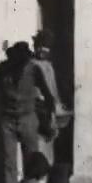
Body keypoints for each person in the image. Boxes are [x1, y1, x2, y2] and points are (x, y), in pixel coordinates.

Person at [0, 42, 56, 183]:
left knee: (32, 161)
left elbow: (47, 94)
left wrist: (51, 117)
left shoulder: (33, 70)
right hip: (7, 119)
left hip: (28, 118)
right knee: (9, 162)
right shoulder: (2, 70)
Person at [31, 29, 69, 165]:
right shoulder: (32, 66)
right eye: (40, 48)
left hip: (49, 109)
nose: (42, 51)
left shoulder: (48, 66)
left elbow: (53, 88)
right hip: (38, 109)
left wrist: (57, 104)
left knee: (48, 145)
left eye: (45, 49)